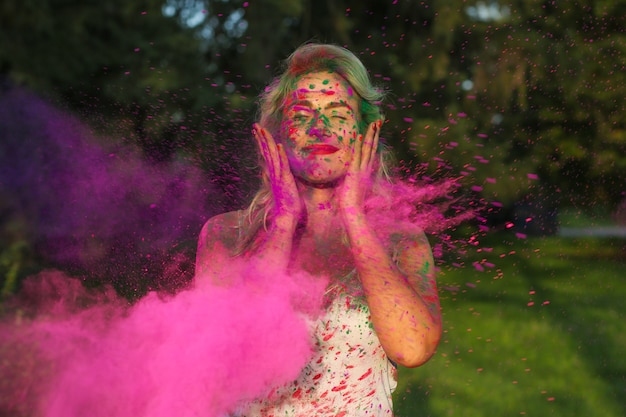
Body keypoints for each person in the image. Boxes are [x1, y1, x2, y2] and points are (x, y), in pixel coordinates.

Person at [195, 43, 441, 416]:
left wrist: (354, 217)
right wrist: (282, 222)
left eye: (337, 112)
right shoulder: (226, 235)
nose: (319, 126)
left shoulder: (401, 242)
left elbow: (412, 347)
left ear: (364, 131)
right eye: (302, 113)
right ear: (278, 133)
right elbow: (221, 357)